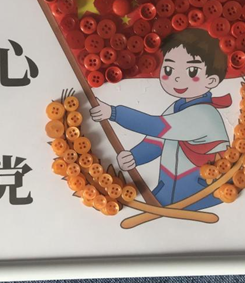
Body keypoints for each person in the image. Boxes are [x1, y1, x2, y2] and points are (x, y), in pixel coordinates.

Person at [90, 28, 232, 210]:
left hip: (200, 191)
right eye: (169, 69)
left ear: (211, 81)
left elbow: (155, 126)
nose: (177, 78)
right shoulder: (177, 107)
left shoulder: (203, 114)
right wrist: (136, 156)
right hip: (168, 189)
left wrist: (115, 113)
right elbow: (157, 141)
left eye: (192, 71)